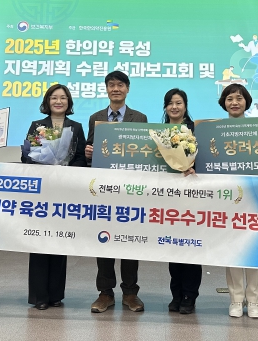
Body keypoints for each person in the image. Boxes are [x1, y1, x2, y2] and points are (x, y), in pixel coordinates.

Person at [84, 71, 148, 313]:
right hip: (103, 189)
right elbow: (90, 151)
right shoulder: (96, 118)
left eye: (120, 85)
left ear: (127, 89)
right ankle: (105, 293)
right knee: (104, 239)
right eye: (111, 85)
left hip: (130, 190)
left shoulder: (139, 118)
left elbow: (144, 152)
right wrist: (88, 153)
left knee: (130, 240)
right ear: (106, 89)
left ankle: (130, 293)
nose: (116, 89)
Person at [22, 84, 87, 310]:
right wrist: (45, 167)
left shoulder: (76, 127)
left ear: (69, 102)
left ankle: (56, 294)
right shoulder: (37, 125)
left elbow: (81, 157)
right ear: (47, 101)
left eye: (63, 98)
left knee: (60, 240)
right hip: (42, 190)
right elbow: (27, 156)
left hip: (64, 190)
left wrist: (66, 170)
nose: (58, 102)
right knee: (40, 240)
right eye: (54, 98)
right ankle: (39, 296)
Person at [218, 83, 258, 318]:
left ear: (247, 101)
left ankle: (254, 300)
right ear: (223, 103)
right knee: (233, 247)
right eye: (229, 99)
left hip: (255, 196)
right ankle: (236, 299)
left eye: (239, 98)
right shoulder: (215, 131)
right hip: (227, 197)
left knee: (254, 247)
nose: (234, 102)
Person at [161, 88, 201, 315]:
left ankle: (189, 295)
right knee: (173, 246)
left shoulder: (196, 130)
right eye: (170, 103)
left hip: (193, 198)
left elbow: (206, 161)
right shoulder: (160, 133)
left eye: (178, 103)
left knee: (192, 246)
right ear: (165, 107)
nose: (174, 107)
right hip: (168, 199)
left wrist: (194, 169)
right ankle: (176, 295)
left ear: (185, 106)